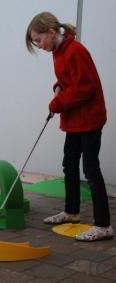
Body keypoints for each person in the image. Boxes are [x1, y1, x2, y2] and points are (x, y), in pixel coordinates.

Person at [25, 11, 113, 241]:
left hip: (90, 118)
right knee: (69, 164)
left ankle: (104, 225)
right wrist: (58, 87)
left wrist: (58, 102)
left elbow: (85, 88)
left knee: (91, 170)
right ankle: (72, 212)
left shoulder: (76, 51)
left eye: (38, 40)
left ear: (52, 33)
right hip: (75, 119)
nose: (38, 45)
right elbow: (69, 79)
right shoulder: (58, 51)